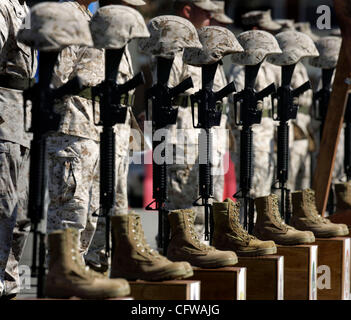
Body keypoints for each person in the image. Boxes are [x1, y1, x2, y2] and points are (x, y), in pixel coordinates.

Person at [0, 0, 37, 299]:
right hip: (4, 115)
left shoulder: (27, 9)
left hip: (22, 116)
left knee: (21, 211)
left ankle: (8, 280)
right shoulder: (2, 6)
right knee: (3, 203)